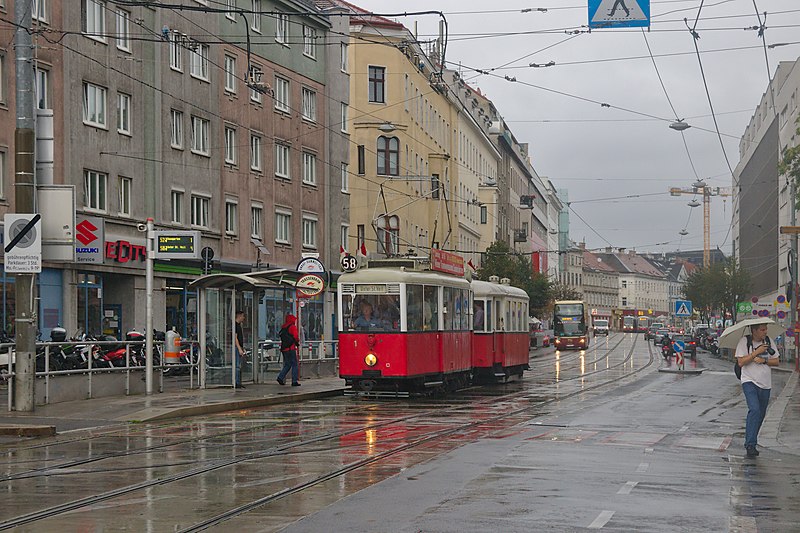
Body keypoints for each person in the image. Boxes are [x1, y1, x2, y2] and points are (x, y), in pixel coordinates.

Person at [736, 323, 780, 458]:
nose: (765, 331)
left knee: (760, 414)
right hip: (749, 381)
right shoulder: (745, 342)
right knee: (754, 409)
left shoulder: (769, 341)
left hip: (765, 384)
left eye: (766, 329)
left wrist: (764, 360)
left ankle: (752, 441)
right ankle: (750, 444)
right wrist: (756, 352)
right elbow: (741, 362)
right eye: (762, 329)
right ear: (754, 330)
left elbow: (776, 361)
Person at [277, 313, 301, 386]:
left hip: (284, 349)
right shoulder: (292, 327)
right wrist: (297, 342)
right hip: (291, 348)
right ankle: (294, 381)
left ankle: (280, 377)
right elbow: (296, 337)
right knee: (294, 364)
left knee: (287, 364)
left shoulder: (284, 327)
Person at [234, 310, 246, 389]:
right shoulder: (235, 325)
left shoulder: (238, 325)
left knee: (239, 365)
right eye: (243, 316)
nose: (244, 318)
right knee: (237, 366)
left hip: (239, 347)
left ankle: (238, 382)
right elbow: (235, 338)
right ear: (239, 316)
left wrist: (242, 348)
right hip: (236, 348)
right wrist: (239, 349)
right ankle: (236, 382)